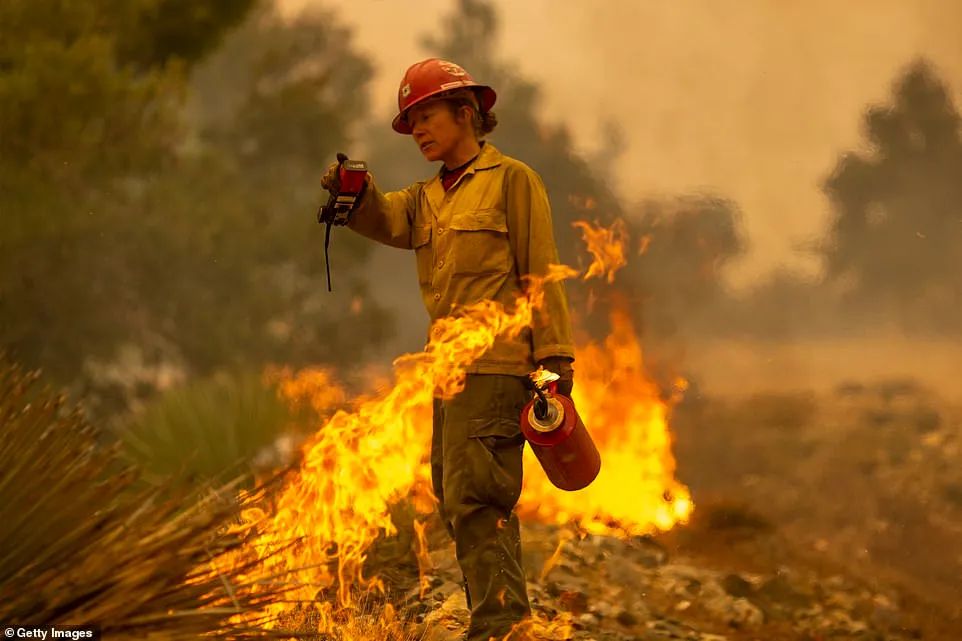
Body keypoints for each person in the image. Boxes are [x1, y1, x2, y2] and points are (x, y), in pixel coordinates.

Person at [321, 58, 575, 641]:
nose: (418, 131)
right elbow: (387, 220)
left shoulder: (512, 179)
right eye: (410, 123)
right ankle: (500, 619)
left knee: (479, 497)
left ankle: (502, 627)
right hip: (449, 372)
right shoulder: (428, 197)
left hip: (498, 365)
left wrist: (556, 361)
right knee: (455, 496)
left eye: (426, 116)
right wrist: (352, 195)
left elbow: (543, 273)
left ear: (467, 114)